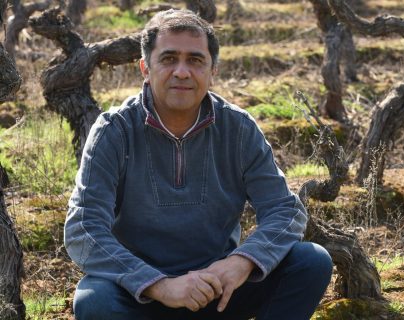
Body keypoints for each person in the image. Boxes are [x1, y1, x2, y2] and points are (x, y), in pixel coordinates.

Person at [65, 9, 332, 320]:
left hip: (218, 291)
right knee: (95, 300)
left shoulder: (238, 129)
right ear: (145, 68)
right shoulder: (114, 131)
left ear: (212, 70)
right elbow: (83, 228)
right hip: (140, 295)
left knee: (310, 261)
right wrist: (160, 285)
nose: (181, 71)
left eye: (195, 60)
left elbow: (285, 211)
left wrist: (241, 262)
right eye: (168, 59)